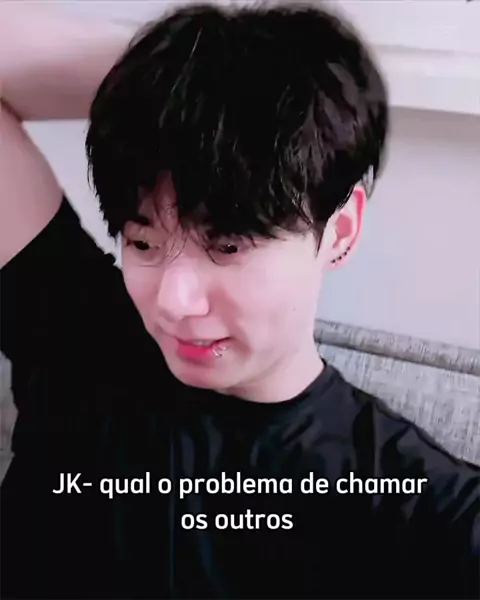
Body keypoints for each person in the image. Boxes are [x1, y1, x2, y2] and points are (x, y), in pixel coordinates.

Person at [0, 3, 478, 599]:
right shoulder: (79, 337)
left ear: (340, 231)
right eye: (143, 243)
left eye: (226, 246)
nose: (173, 302)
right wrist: (183, 84)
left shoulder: (418, 505)